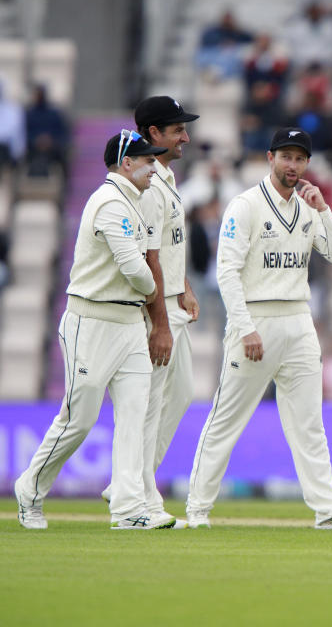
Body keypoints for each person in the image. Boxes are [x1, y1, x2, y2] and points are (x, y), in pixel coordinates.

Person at [186, 128, 332, 531]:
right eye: (285, 157)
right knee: (226, 420)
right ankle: (197, 510)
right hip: (255, 320)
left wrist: (324, 210)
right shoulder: (245, 205)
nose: (293, 165)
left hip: (299, 321)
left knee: (309, 424)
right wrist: (245, 327)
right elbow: (226, 271)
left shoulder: (308, 207)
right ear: (270, 158)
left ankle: (329, 511)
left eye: (300, 159)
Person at [15, 131, 171, 530]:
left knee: (135, 416)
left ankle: (128, 509)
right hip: (92, 321)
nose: (154, 167)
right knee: (78, 420)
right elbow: (135, 270)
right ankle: (29, 490)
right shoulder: (107, 201)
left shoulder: (136, 204)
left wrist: (149, 306)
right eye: (146, 160)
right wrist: (157, 294)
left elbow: (142, 268)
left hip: (129, 324)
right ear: (126, 163)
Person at [100, 96, 201, 527]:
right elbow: (147, 257)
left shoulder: (165, 177)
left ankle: (132, 485)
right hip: (157, 311)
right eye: (177, 129)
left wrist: (186, 287)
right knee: (149, 405)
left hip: (173, 300)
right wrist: (158, 322)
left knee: (177, 396)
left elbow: (170, 244)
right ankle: (139, 498)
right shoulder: (145, 184)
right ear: (153, 134)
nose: (186, 136)